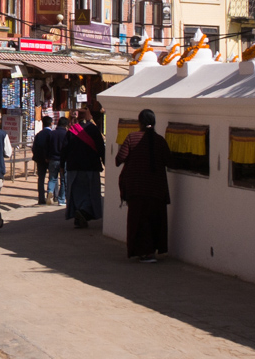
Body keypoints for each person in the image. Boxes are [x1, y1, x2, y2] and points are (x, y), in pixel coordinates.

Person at [117, 108, 171, 261]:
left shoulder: (132, 138)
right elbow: (169, 161)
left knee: (139, 221)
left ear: (140, 123)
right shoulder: (160, 140)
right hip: (157, 189)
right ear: (154, 123)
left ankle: (143, 252)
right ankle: (151, 251)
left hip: (136, 188)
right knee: (154, 219)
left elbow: (119, 158)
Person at [59, 107, 106, 229]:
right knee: (91, 192)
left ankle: (79, 214)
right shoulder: (94, 130)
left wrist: (61, 165)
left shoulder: (71, 131)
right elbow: (101, 148)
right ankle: (84, 213)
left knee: (76, 192)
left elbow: (64, 150)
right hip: (91, 167)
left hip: (73, 168)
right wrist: (105, 162)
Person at [31, 114, 59, 206]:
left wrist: (37, 157)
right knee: (53, 177)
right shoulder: (53, 134)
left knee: (41, 179)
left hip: (40, 160)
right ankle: (54, 196)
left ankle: (41, 198)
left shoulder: (39, 135)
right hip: (51, 159)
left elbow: (34, 147)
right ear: (51, 123)